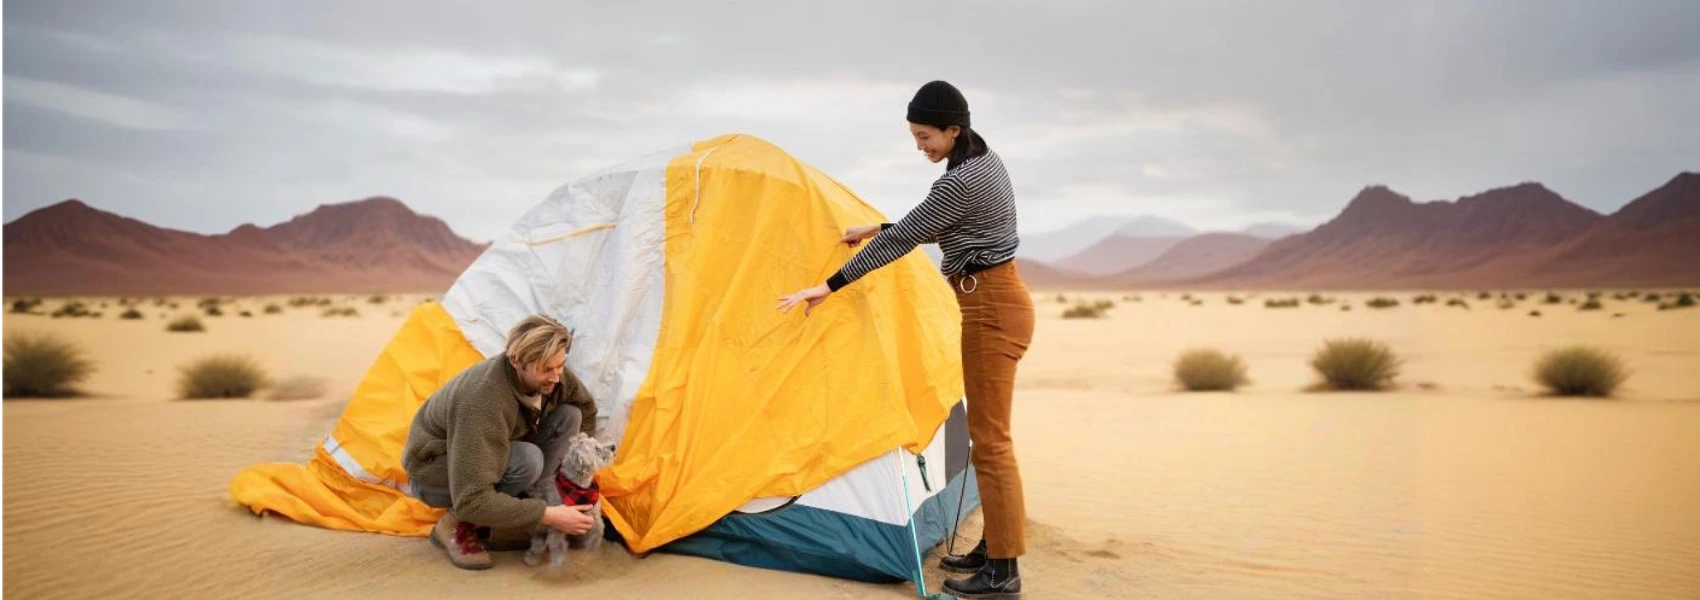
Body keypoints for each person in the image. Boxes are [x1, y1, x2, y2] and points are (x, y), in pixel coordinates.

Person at [776, 80, 1034, 598]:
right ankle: (995, 548)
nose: (919, 145)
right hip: (993, 301)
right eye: (914, 135)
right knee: (989, 437)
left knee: (991, 440)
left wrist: (828, 285)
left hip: (991, 309)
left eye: (924, 135)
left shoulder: (959, 181)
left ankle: (1003, 572)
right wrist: (875, 227)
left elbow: (910, 236)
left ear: (953, 129)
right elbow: (932, 223)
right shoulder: (981, 162)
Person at [402, 314, 602, 570]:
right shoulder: (483, 401)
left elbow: (585, 409)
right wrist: (548, 515)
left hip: (495, 453)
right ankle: (454, 525)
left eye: (560, 365)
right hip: (438, 472)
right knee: (527, 460)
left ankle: (521, 510)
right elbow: (472, 498)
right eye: (546, 369)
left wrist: (575, 478)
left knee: (569, 416)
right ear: (517, 362)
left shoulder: (555, 375)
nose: (556, 376)